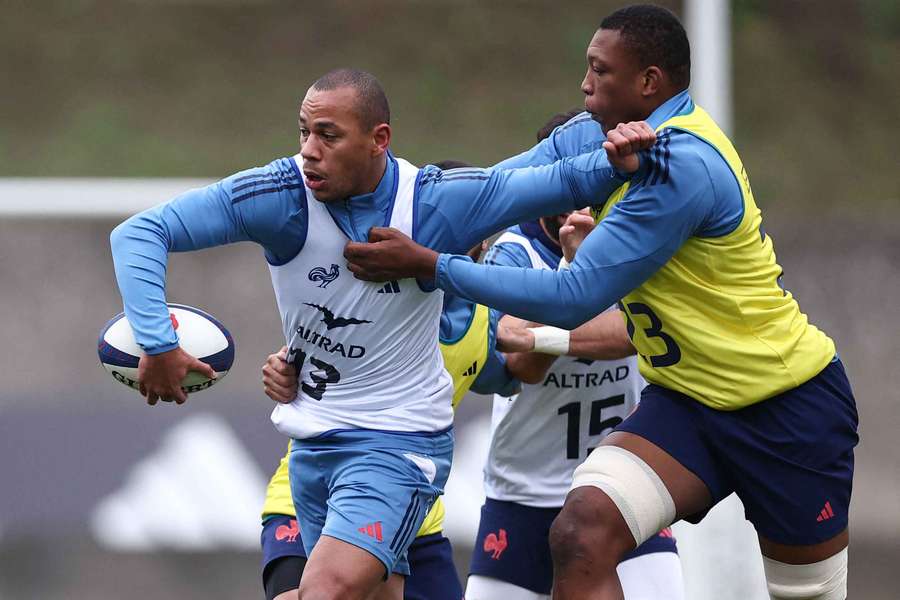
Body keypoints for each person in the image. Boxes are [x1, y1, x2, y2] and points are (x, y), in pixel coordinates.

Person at [343, 6, 858, 600]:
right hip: (689, 403)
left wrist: (434, 264)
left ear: (649, 82)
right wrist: (389, 208)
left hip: (784, 407)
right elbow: (495, 188)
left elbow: (573, 296)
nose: (585, 86)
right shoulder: (600, 133)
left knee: (807, 595)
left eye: (599, 71)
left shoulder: (681, 165)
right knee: (582, 532)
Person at [109, 68, 647, 600]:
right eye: (303, 132)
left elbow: (545, 178)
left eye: (329, 135)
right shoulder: (280, 196)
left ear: (378, 140)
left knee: (326, 592)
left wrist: (618, 154)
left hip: (396, 444)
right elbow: (141, 232)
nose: (309, 151)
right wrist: (157, 343)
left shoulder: (435, 205)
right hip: (311, 447)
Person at [257, 163, 517, 600]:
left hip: (411, 512)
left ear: (481, 243)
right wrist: (282, 372)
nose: (443, 241)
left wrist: (542, 333)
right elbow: (302, 356)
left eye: (459, 230)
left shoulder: (483, 320)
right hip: (310, 498)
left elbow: (508, 376)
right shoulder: (370, 296)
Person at [465, 114, 683, 600]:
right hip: (524, 494)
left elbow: (647, 330)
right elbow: (519, 356)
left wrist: (573, 297)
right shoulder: (515, 249)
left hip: (623, 484)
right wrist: (571, 274)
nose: (580, 196)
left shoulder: (636, 236)